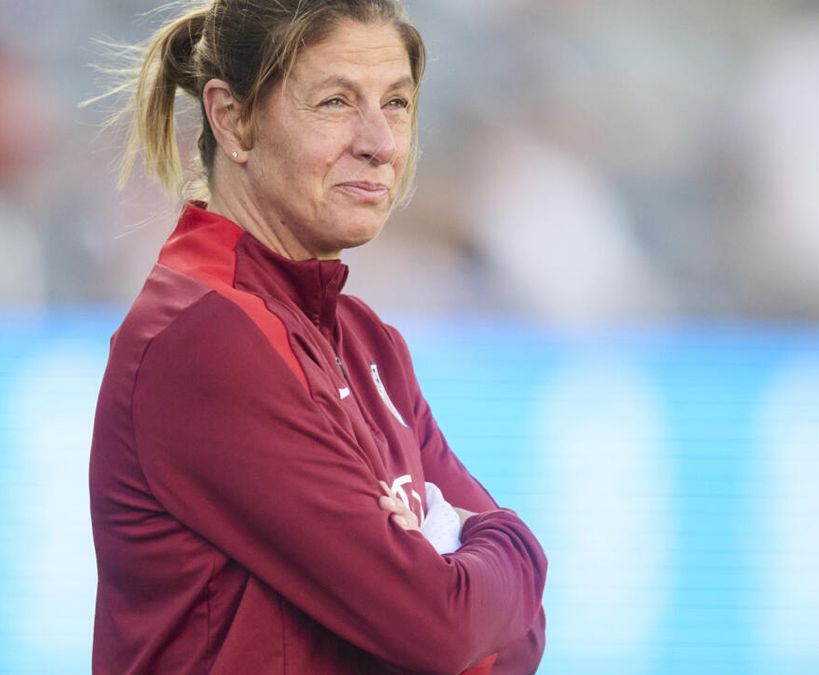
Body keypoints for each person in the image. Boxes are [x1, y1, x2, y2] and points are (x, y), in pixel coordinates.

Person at [87, 2, 547, 673]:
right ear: (231, 118)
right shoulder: (205, 340)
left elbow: (519, 640)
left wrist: (466, 580)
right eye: (335, 101)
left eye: (395, 102)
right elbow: (444, 625)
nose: (380, 142)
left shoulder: (366, 343)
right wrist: (508, 541)